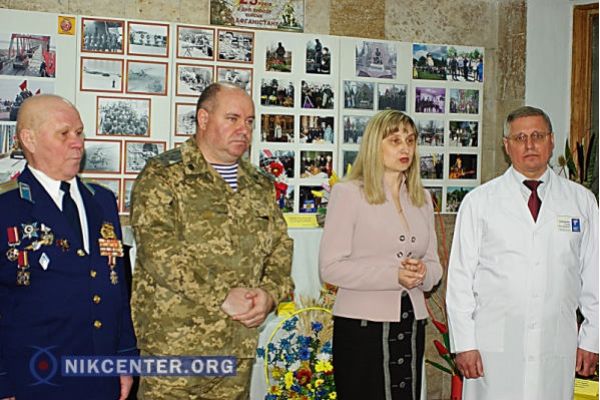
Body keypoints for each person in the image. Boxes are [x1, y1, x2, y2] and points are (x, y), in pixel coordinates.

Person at [130, 82, 293, 400]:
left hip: (237, 347)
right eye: (232, 118)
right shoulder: (163, 175)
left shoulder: (258, 183)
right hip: (176, 349)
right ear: (203, 119)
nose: (244, 129)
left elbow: (280, 246)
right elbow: (157, 252)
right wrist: (221, 295)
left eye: (249, 121)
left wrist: (270, 294)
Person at [446, 106, 599, 400]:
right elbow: (460, 280)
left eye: (537, 136)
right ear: (507, 146)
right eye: (520, 138)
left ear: (552, 141)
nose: (529, 145)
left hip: (556, 344)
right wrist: (464, 343)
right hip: (493, 349)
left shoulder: (581, 202)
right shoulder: (479, 202)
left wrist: (592, 339)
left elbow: (595, 277)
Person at [0, 94, 137, 400]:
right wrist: (3, 382)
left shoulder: (101, 201)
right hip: (34, 378)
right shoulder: (7, 206)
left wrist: (125, 358)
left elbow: (116, 287)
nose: (77, 143)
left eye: (79, 132)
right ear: (29, 140)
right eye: (64, 134)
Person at [319, 110, 443, 400]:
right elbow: (330, 268)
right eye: (395, 140)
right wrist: (393, 276)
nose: (405, 148)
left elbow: (435, 265)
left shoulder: (422, 198)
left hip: (411, 324)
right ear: (375, 144)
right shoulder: (348, 193)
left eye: (410, 140)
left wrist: (424, 273)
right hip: (362, 329)